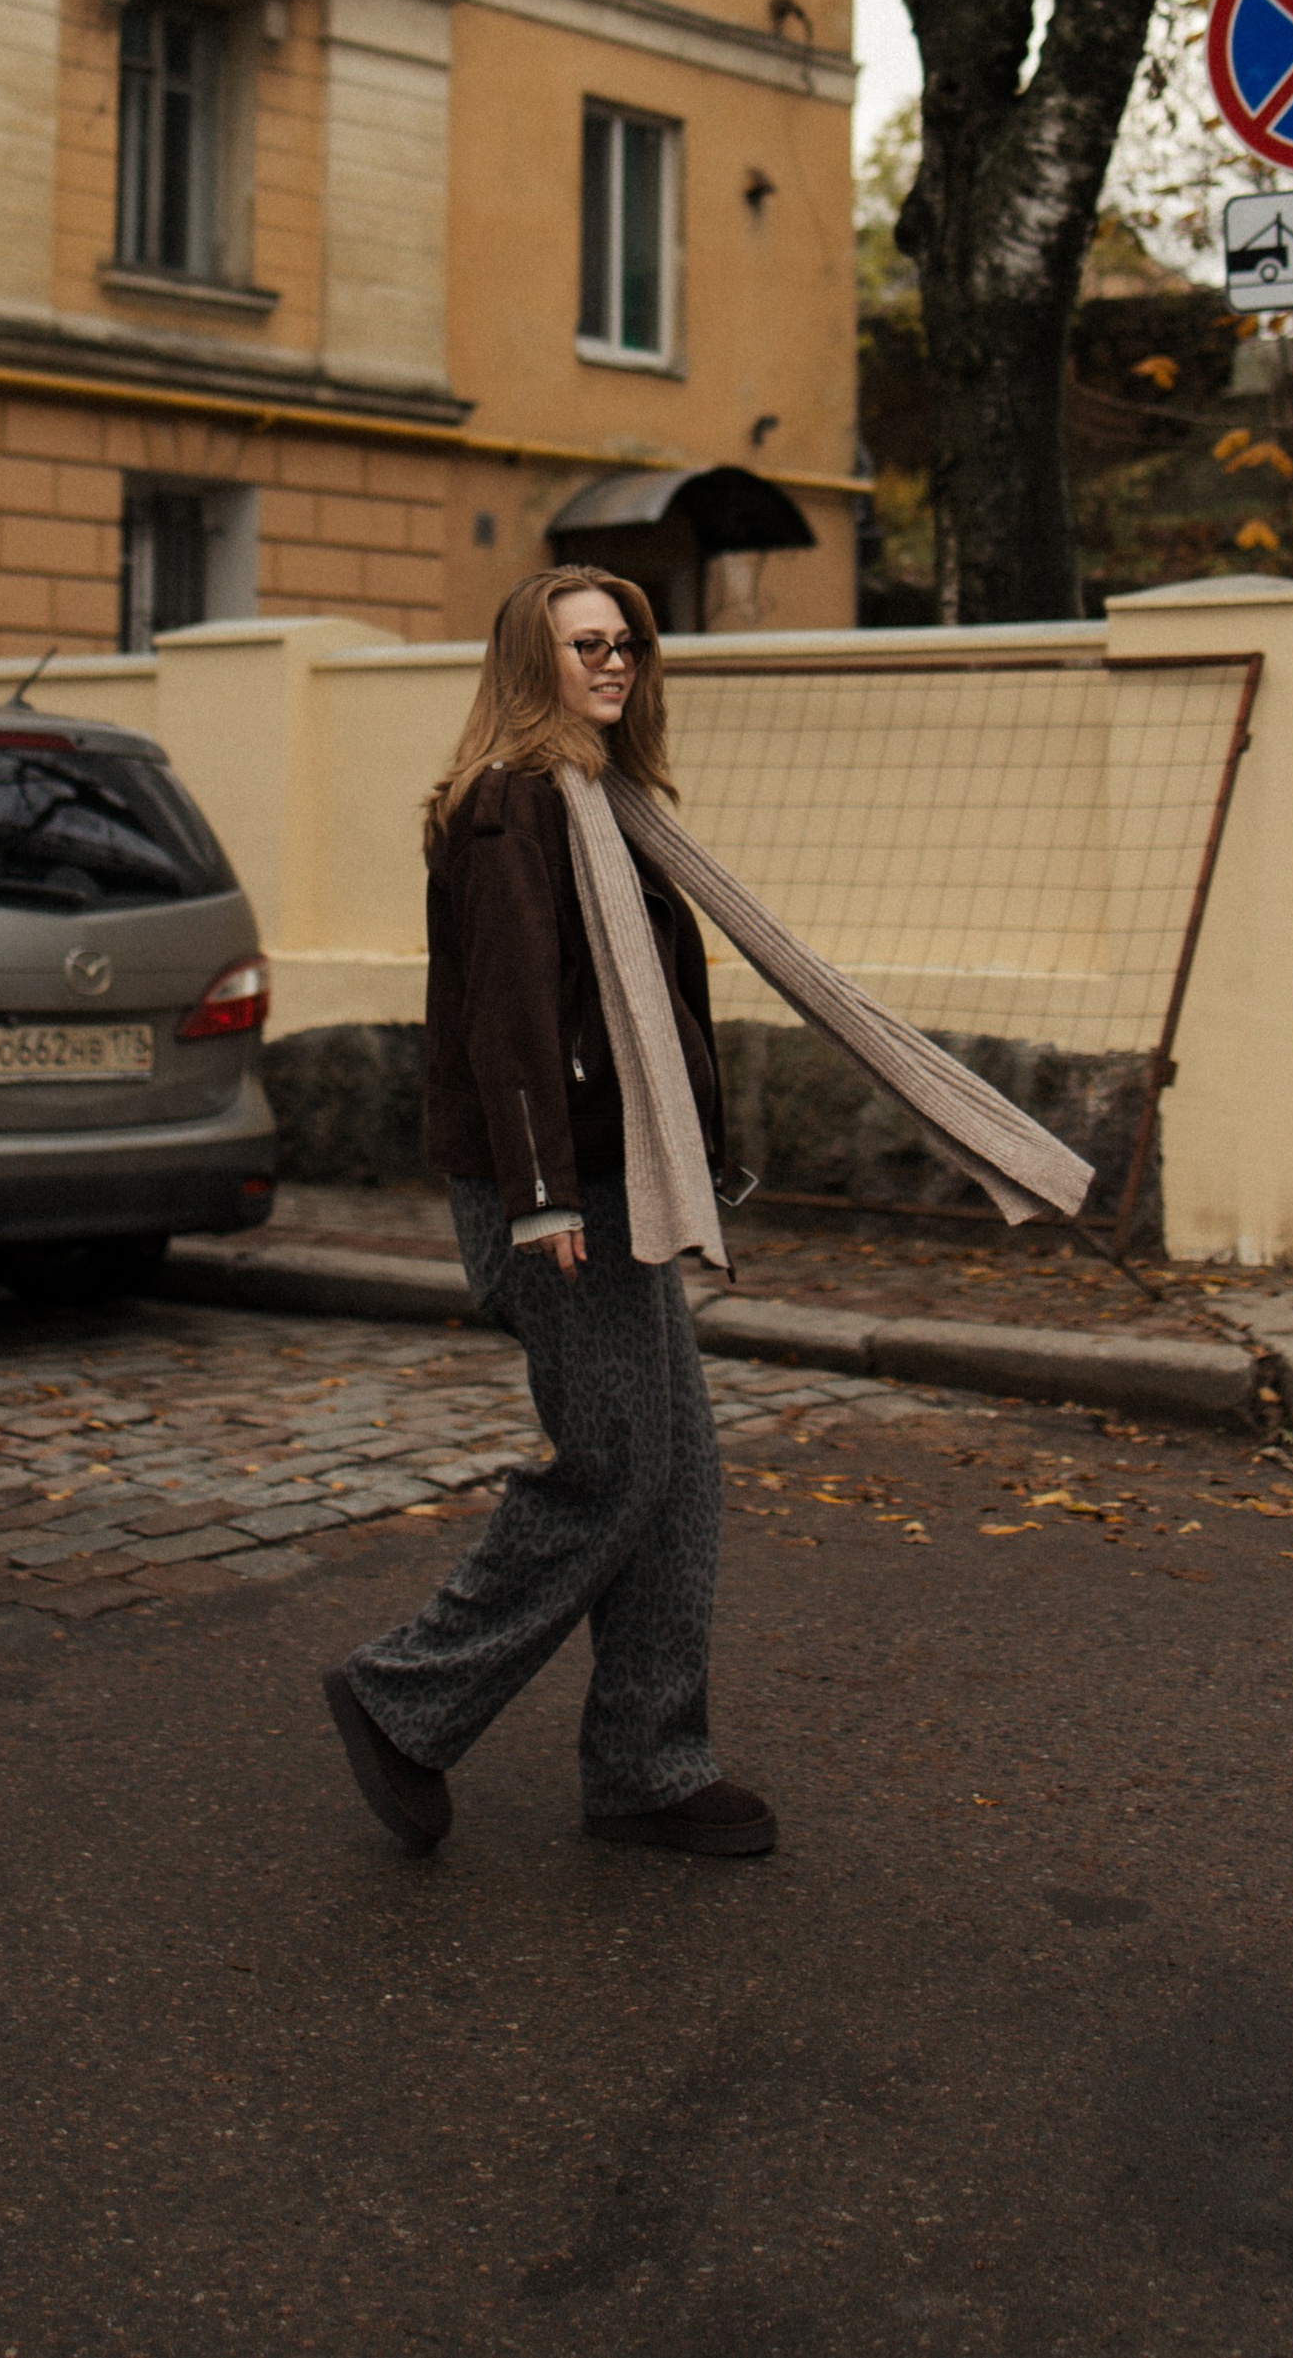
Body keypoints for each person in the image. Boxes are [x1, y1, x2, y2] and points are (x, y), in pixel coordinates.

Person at [321, 563, 776, 1862]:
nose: (615, 661)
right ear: (535, 663)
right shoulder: (509, 806)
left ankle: (646, 1762)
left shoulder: (604, 802)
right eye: (587, 645)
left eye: (626, 642)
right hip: (557, 1197)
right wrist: (538, 1196)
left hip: (615, 1180)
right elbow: (509, 1014)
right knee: (616, 1466)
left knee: (678, 1476)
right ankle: (405, 1697)